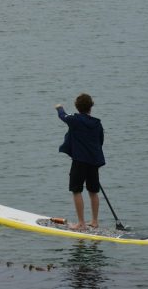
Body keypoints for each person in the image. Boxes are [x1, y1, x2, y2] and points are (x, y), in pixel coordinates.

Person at [55, 93, 105, 230]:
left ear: (77, 107)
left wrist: (59, 107)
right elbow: (100, 141)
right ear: (91, 107)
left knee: (76, 190)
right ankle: (94, 222)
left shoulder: (75, 120)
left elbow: (62, 116)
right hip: (94, 162)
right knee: (93, 191)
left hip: (79, 161)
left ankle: (81, 223)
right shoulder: (97, 123)